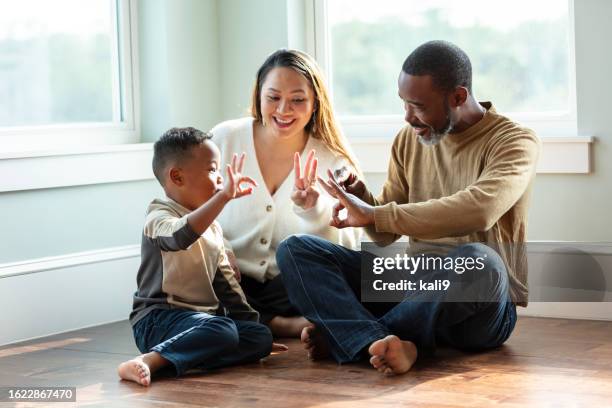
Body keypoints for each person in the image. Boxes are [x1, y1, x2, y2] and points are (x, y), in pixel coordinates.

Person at [276, 40, 541, 375]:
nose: (407, 116)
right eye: (403, 103)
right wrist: (365, 201)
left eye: (418, 106)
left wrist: (376, 213)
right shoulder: (408, 139)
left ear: (458, 98)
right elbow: (386, 233)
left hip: (480, 307)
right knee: (297, 250)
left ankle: (354, 338)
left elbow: (480, 209)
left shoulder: (515, 141)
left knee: (480, 262)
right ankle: (387, 341)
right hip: (411, 286)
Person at [118, 127, 286, 386]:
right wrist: (224, 197)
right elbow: (180, 236)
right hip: (157, 321)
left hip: (201, 323)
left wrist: (252, 329)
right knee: (221, 329)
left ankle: (178, 359)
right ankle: (148, 361)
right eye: (212, 170)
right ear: (177, 176)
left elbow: (228, 287)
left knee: (258, 337)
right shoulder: (158, 218)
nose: (219, 179)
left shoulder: (214, 229)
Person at [211, 49, 361, 338]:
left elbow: (343, 253)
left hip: (288, 289)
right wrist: (219, 248)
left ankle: (258, 322)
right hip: (229, 280)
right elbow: (188, 210)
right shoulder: (223, 139)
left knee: (350, 283)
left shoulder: (333, 160)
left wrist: (313, 212)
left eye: (297, 100)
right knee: (195, 280)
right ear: (258, 96)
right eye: (273, 97)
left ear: (315, 103)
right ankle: (279, 325)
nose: (283, 110)